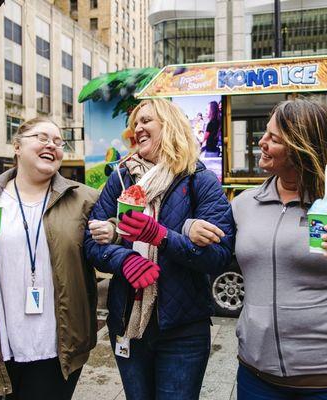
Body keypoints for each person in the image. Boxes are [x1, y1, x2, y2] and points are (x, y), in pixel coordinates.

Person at [185, 98, 327, 399]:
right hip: (259, 376)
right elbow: (214, 248)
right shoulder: (246, 203)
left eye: (274, 138)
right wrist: (189, 228)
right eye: (265, 134)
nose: (262, 142)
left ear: (301, 146)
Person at [84, 98, 234, 400]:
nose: (137, 128)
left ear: (169, 126)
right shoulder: (121, 177)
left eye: (146, 121)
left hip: (183, 330)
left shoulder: (199, 180)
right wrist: (123, 258)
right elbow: (90, 243)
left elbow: (219, 257)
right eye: (135, 123)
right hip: (127, 322)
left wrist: (163, 237)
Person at [0, 117, 99, 399]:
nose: (52, 146)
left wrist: (114, 234)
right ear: (17, 146)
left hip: (59, 346)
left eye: (59, 142)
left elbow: (108, 254)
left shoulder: (84, 199)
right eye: (42, 138)